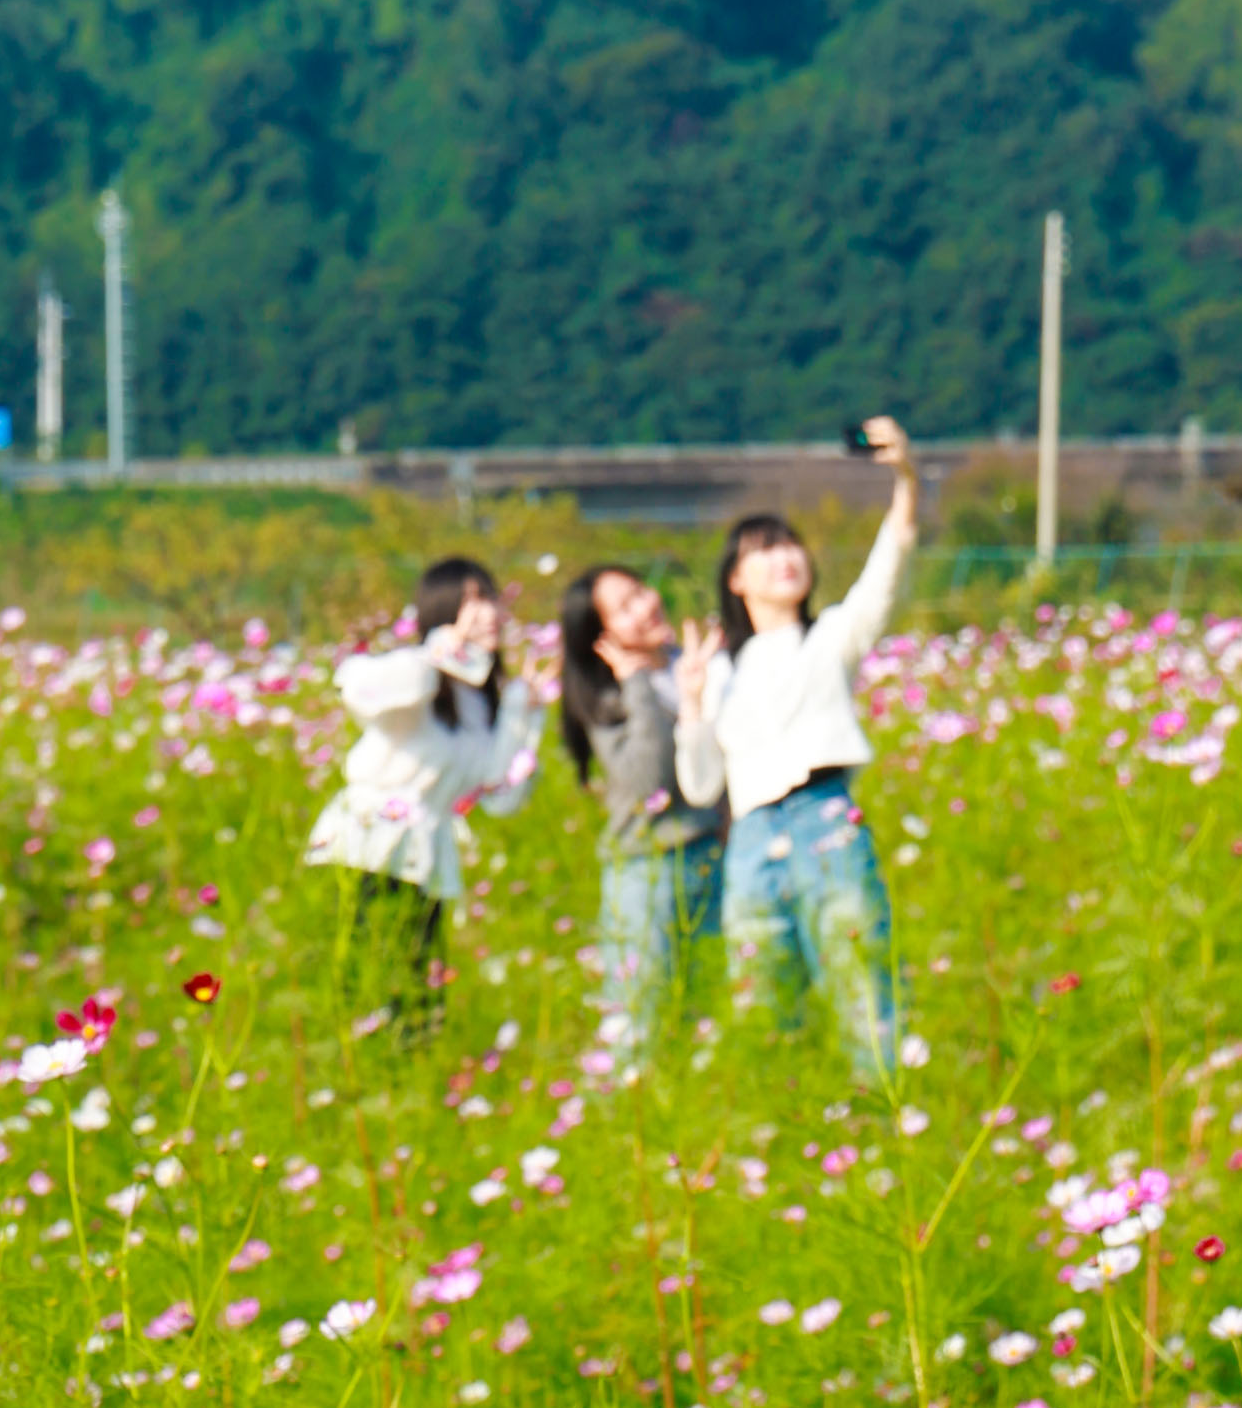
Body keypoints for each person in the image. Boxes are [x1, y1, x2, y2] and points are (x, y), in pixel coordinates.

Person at [679, 415, 920, 1079]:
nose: (786, 559)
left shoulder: (832, 637)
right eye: (765, 550)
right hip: (752, 839)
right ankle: (778, 1126)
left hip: (824, 819)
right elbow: (701, 787)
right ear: (735, 578)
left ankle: (882, 1118)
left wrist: (904, 475)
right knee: (760, 998)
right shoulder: (721, 669)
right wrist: (693, 702)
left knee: (861, 983)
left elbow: (891, 558)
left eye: (791, 548)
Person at [304, 556, 545, 1028]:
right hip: (367, 846)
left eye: (491, 598)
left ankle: (406, 1075)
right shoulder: (417, 677)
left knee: (418, 991)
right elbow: (355, 687)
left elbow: (499, 794)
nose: (489, 613)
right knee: (365, 983)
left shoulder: (484, 700)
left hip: (426, 855)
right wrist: (437, 653)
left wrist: (523, 713)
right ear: (442, 610)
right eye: (472, 600)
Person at [558, 562, 725, 1071]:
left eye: (640, 592)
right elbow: (647, 782)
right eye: (625, 607)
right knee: (639, 1018)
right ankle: (625, 1124)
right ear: (600, 636)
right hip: (646, 869)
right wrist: (637, 686)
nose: (646, 606)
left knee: (709, 1012)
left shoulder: (693, 665)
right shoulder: (606, 700)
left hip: (714, 856)